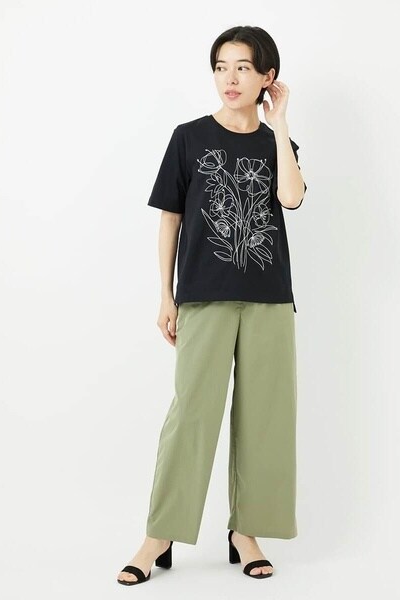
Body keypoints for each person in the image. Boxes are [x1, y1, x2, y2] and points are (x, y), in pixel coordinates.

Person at [117, 24, 307, 586]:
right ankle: (159, 535)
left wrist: (280, 125)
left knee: (266, 417)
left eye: (244, 67)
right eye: (222, 67)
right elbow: (170, 218)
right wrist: (165, 294)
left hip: (270, 299)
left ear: (268, 77)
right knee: (192, 415)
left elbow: (292, 197)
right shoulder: (189, 137)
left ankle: (245, 532)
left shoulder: (276, 143)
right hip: (202, 294)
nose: (231, 78)